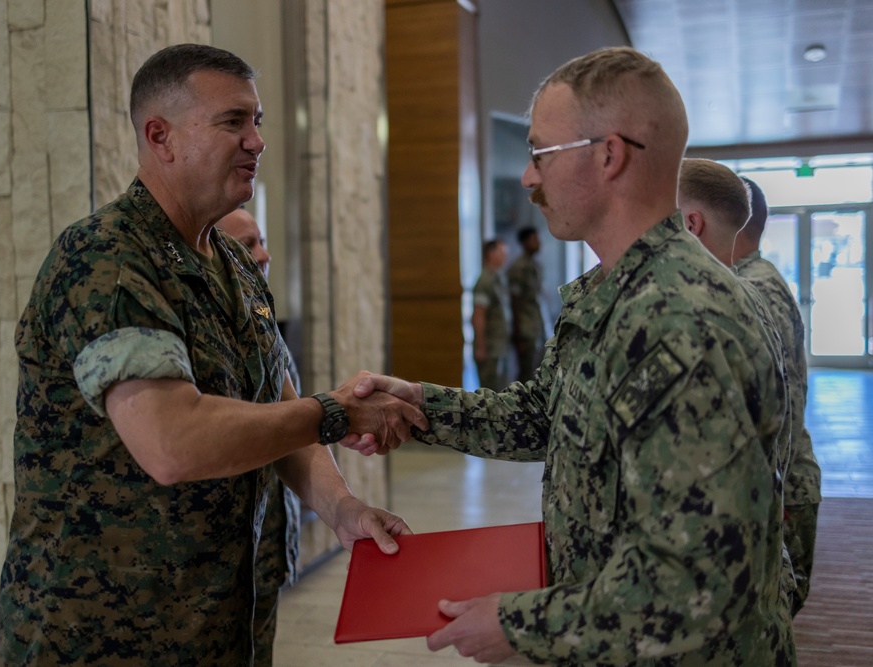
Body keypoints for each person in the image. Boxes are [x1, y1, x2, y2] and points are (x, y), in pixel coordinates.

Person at [346, 46, 795, 665]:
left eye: (539, 154)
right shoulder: (615, 292)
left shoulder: (683, 320)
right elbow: (548, 416)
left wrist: (516, 623)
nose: (529, 177)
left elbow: (696, 583)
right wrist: (424, 406)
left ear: (608, 155)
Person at [0, 43, 426, 667]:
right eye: (233, 122)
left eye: (258, 122)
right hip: (104, 634)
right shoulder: (108, 259)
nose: (256, 141)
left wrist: (343, 509)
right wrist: (335, 412)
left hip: (221, 621)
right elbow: (173, 444)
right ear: (160, 137)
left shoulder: (230, 262)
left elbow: (279, 405)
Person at [678, 161, 822, 616]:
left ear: (693, 223)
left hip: (775, 493)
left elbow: (770, 413)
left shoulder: (747, 292)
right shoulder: (755, 280)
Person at [215, 206, 300, 665]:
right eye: (247, 244)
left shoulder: (262, 318)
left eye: (261, 240)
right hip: (226, 560)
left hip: (266, 547)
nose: (263, 254)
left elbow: (288, 424)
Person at [507, 225, 548, 382]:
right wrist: (518, 334)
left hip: (538, 326)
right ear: (524, 242)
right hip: (526, 329)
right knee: (526, 375)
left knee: (539, 373)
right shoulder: (518, 268)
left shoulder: (535, 265)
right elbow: (514, 301)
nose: (539, 243)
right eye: (534, 239)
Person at [471, 239, 510, 389]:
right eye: (502, 252)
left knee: (501, 389)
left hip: (500, 346)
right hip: (490, 347)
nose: (505, 256)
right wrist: (481, 346)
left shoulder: (498, 278)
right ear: (491, 254)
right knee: (490, 391)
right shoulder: (485, 280)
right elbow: (479, 315)